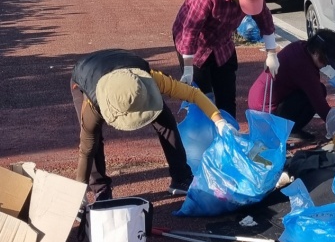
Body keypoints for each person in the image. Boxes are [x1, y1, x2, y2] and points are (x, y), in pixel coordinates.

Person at [71, 48, 234, 201]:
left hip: (123, 67)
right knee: (94, 140)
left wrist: (219, 121)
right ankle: (101, 189)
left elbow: (193, 93)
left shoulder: (149, 79)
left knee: (166, 122)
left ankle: (181, 178)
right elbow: (86, 149)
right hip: (86, 74)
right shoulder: (93, 104)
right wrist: (78, 193)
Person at [172, 0, 277, 119]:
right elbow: (190, 30)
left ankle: (229, 134)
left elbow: (265, 20)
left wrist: (271, 54)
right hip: (196, 45)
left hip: (222, 43)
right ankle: (204, 137)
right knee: (202, 98)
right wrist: (188, 69)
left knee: (227, 96)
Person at [247, 28, 335, 140]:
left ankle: (289, 129)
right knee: (315, 94)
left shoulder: (302, 47)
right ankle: (285, 131)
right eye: (325, 61)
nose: (326, 65)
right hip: (266, 112)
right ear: (317, 52)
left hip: (259, 101)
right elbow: (321, 107)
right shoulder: (304, 67)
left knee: (318, 89)